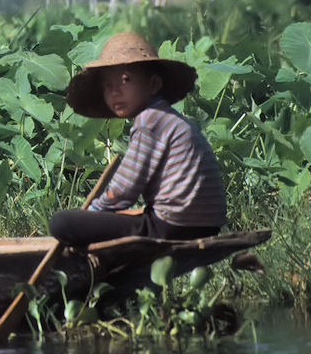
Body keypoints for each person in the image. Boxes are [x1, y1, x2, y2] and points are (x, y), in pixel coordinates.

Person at [48, 31, 226, 247]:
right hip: (206, 223)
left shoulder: (149, 121)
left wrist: (96, 211)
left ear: (153, 84)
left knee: (62, 222)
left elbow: (125, 188)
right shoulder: (167, 117)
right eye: (107, 85)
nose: (115, 92)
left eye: (125, 80)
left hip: (174, 225)